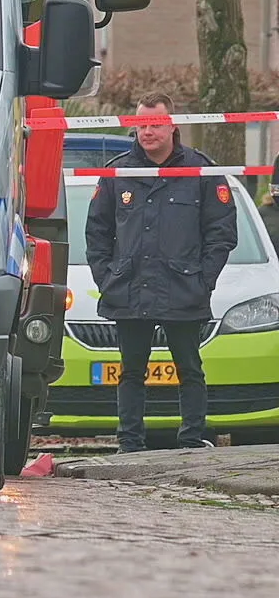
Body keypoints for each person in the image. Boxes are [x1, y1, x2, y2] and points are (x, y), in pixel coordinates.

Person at [84, 91, 237, 453]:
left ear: (173, 125)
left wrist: (203, 281)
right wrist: (107, 278)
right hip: (130, 287)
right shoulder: (118, 171)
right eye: (141, 124)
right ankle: (130, 442)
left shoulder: (200, 170)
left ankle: (191, 440)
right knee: (131, 370)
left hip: (183, 288)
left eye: (155, 123)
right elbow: (96, 231)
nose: (147, 131)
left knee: (189, 368)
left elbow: (221, 232)